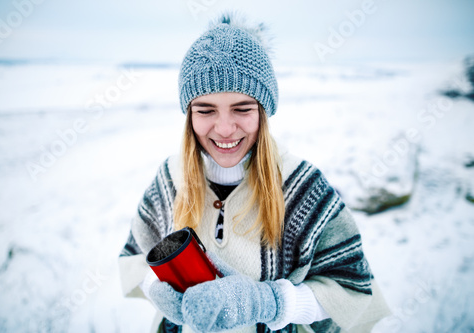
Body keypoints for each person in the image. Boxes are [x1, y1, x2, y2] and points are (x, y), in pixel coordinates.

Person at [119, 14, 390, 333]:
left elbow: (350, 288)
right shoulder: (170, 178)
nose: (223, 128)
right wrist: (156, 288)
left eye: (242, 108)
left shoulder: (302, 187)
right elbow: (136, 257)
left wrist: (270, 302)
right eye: (205, 110)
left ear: (263, 110)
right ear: (188, 114)